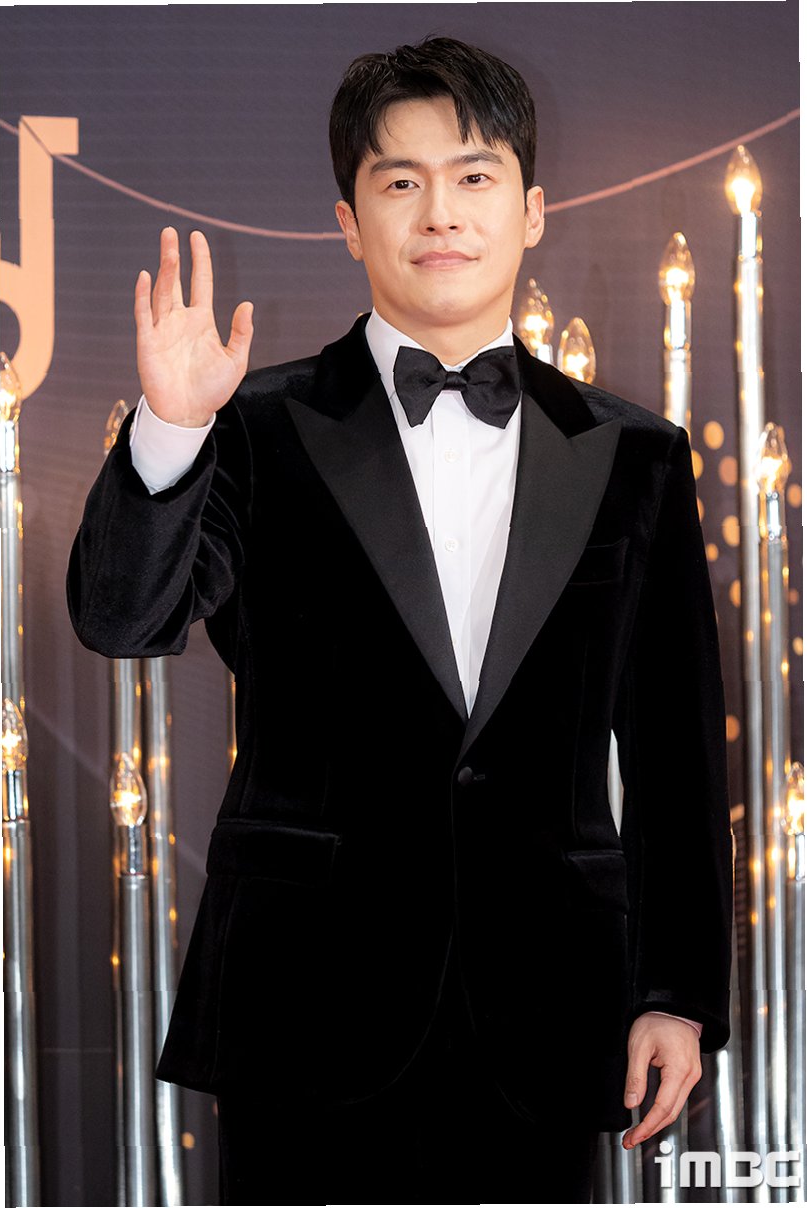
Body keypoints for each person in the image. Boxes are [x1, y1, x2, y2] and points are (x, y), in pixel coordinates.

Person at [67, 36, 733, 1205]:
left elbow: (675, 748)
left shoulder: (637, 455)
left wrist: (674, 991)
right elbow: (125, 617)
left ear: (532, 209)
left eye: (474, 176)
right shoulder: (253, 425)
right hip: (304, 1002)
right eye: (400, 180)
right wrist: (168, 431)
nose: (441, 213)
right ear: (348, 219)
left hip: (549, 1005)